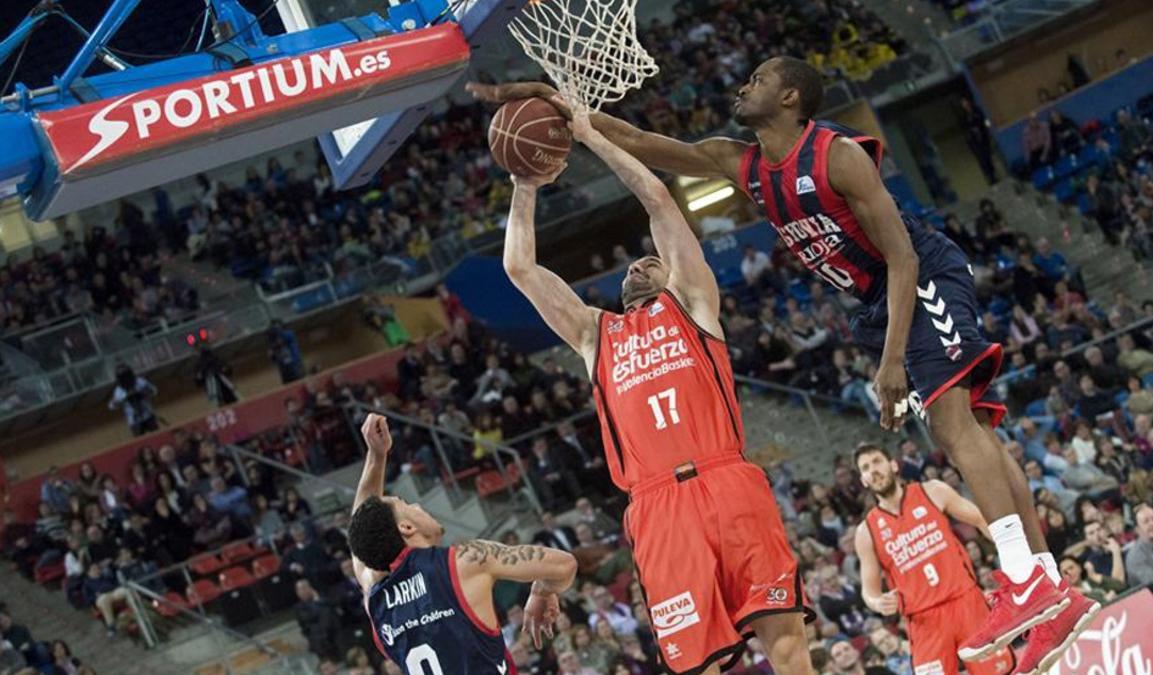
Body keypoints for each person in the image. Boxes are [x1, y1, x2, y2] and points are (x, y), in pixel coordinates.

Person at [473, 56, 1090, 673]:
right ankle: (1044, 585)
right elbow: (634, 142)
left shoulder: (835, 158)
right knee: (973, 428)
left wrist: (892, 360)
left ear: (791, 96)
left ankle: (1023, 573)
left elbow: (902, 255)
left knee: (954, 425)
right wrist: (551, 106)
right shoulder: (734, 166)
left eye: (759, 79)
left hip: (915, 277)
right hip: (864, 307)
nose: (744, 84)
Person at [499, 110, 814, 675]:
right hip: (657, 506)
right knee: (697, 665)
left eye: (651, 261)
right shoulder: (596, 334)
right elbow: (520, 267)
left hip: (726, 479)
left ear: (674, 274)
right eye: (630, 265)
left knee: (786, 639)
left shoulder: (693, 306)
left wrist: (592, 136)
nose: (638, 265)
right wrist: (524, 184)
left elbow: (659, 201)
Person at [347, 414, 578, 673]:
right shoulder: (464, 562)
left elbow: (361, 535)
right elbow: (565, 565)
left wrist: (376, 457)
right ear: (407, 527)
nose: (417, 505)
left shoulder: (376, 599)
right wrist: (542, 592)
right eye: (404, 503)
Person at [853, 444, 1021, 675]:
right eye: (865, 468)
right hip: (923, 621)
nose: (873, 470)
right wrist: (877, 602)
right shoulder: (866, 531)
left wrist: (1014, 554)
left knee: (1001, 673)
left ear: (893, 465)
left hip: (965, 602)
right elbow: (869, 591)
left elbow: (982, 520)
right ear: (863, 480)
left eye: (877, 462)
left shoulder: (932, 491)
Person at [108, 364, 158, 436]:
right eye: (123, 378)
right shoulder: (118, 391)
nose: (126, 380)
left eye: (127, 377)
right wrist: (123, 399)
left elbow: (154, 390)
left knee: (156, 436)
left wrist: (143, 392)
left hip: (148, 415)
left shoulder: (140, 382)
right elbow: (111, 406)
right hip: (134, 421)